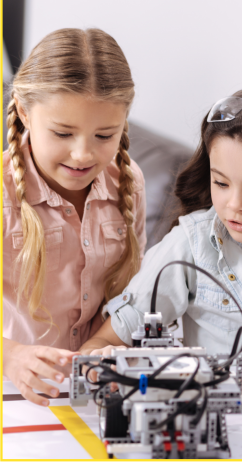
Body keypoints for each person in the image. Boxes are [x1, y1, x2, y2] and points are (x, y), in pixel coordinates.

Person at [80, 87, 242, 401]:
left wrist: (218, 387)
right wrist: (103, 364)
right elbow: (99, 344)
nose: (234, 204)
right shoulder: (189, 244)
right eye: (221, 183)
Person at [3, 28, 147, 406]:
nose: (83, 154)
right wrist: (11, 357)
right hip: (15, 396)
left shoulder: (129, 183)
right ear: (23, 111)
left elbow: (130, 296)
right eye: (63, 133)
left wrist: (109, 344)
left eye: (104, 135)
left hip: (96, 393)